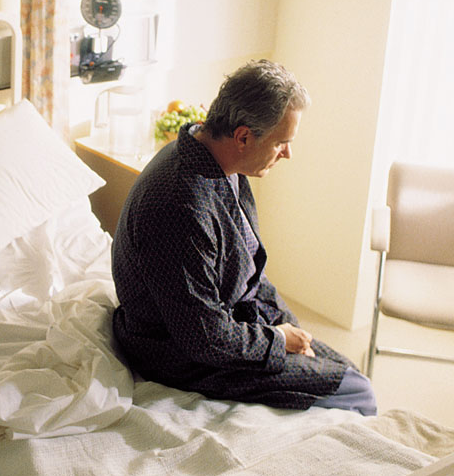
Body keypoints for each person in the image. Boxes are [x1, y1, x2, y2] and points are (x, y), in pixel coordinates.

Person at [110, 60, 376, 415]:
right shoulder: (179, 205)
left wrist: (289, 327)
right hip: (179, 353)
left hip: (232, 323)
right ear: (243, 137)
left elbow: (250, 270)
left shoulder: (222, 164)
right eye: (282, 142)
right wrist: (278, 341)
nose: (288, 153)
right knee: (358, 393)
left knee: (349, 372)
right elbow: (203, 337)